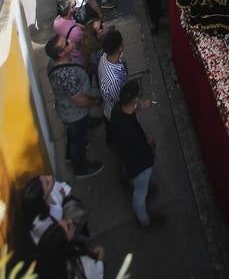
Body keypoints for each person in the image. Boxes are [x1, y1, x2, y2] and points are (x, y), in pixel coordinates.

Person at [45, 35, 103, 178]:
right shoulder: (67, 75)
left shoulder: (53, 63)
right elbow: (80, 101)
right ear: (61, 53)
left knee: (74, 135)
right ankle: (81, 168)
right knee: (78, 140)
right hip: (75, 114)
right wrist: (95, 101)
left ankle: (70, 155)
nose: (70, 41)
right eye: (66, 43)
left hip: (67, 110)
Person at [109, 80, 157, 228]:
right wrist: (148, 142)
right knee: (140, 192)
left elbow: (131, 109)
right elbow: (141, 149)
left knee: (136, 182)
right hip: (139, 165)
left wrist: (141, 106)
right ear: (135, 100)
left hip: (125, 155)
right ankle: (144, 219)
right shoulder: (131, 133)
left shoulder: (117, 109)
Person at [36, 218, 104, 279]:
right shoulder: (82, 267)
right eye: (69, 226)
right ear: (64, 241)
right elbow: (97, 275)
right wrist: (100, 257)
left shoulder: (46, 257)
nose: (70, 220)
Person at [97, 29, 128, 141]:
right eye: (122, 41)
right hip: (115, 114)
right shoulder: (114, 80)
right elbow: (118, 102)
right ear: (119, 47)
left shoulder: (104, 57)